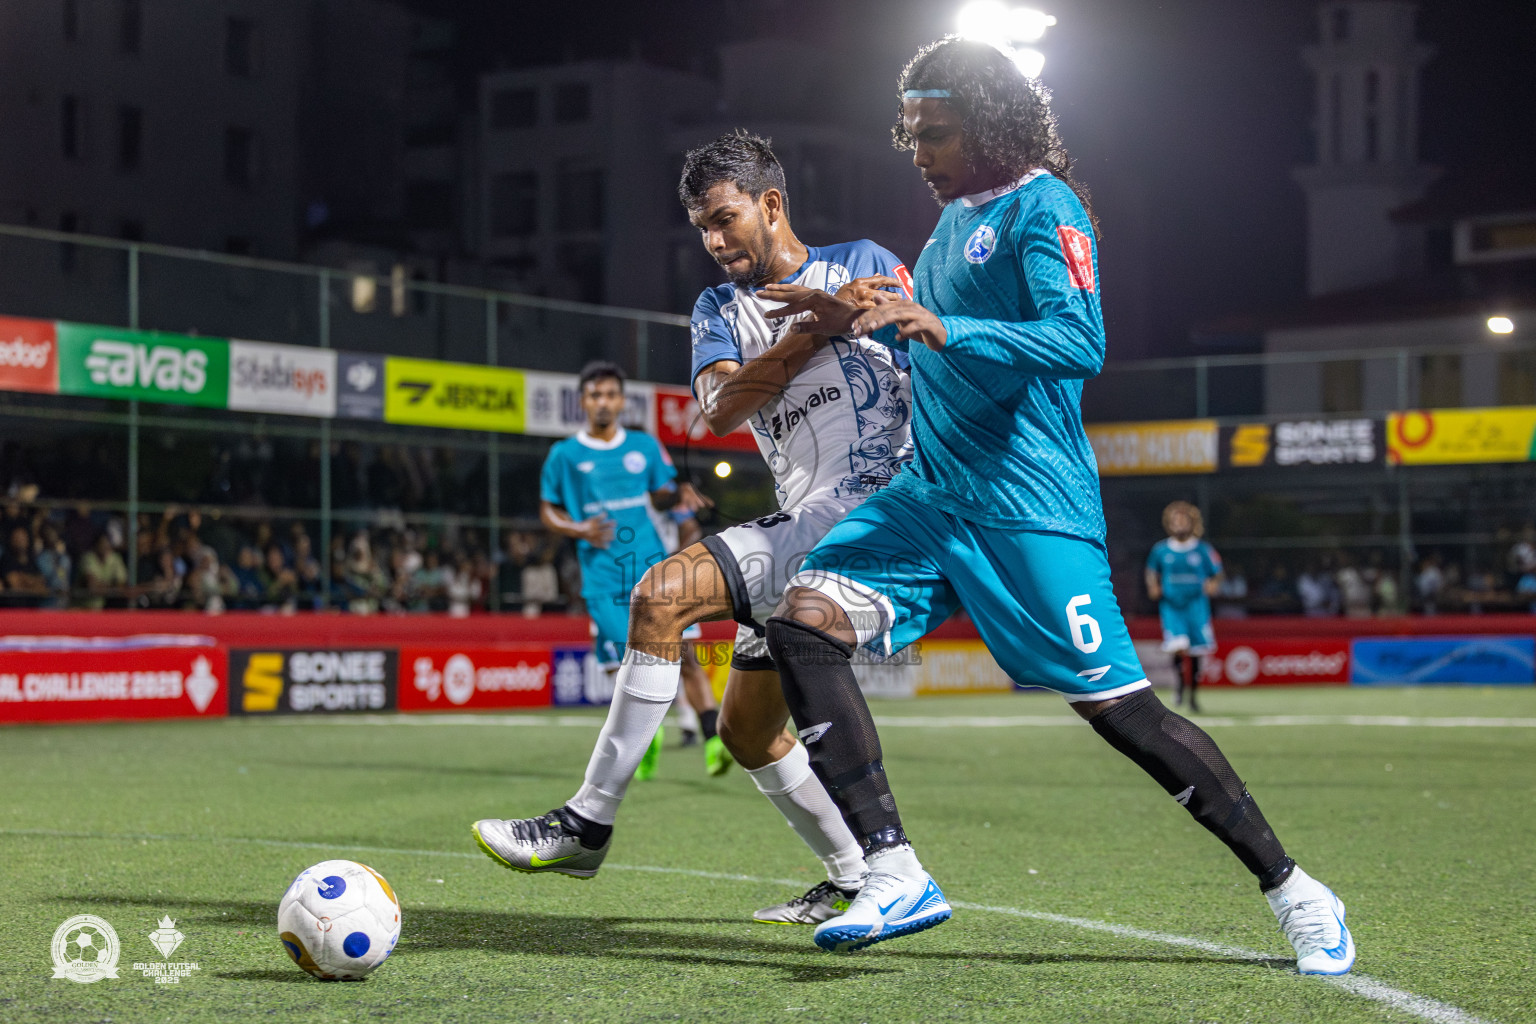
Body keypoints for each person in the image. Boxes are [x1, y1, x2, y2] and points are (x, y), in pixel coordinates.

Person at [754, 38, 1354, 974]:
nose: (921, 152)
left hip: (1029, 507)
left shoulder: (1048, 205)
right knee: (802, 621)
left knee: (1127, 717)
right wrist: (866, 321)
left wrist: (940, 320)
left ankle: (1294, 889)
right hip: (932, 498)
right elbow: (945, 351)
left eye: (938, 133)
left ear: (989, 124)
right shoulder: (949, 226)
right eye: (911, 134)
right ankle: (893, 869)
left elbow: (1079, 339)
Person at [474, 129, 915, 926]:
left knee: (662, 594)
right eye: (702, 229)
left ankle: (587, 820)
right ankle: (856, 874)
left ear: (771, 204)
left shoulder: (861, 261)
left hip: (872, 508)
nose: (714, 242)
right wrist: (816, 329)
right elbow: (716, 410)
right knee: (749, 733)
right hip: (801, 518)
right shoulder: (719, 307)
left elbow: (930, 361)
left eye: (726, 219)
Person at [1145, 501, 1223, 712]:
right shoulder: (1161, 550)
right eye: (1175, 520)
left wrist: (1213, 584)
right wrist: (1153, 585)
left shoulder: (1202, 549)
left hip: (1197, 606)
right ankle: (1179, 685)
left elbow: (1217, 571)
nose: (1179, 524)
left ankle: (1193, 697)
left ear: (1192, 523)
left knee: (1197, 651)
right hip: (1172, 607)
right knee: (1178, 646)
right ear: (1170, 524)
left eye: (1183, 520)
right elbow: (1151, 571)